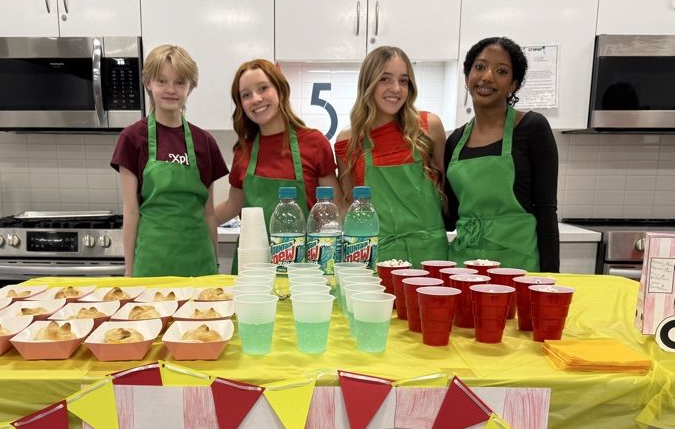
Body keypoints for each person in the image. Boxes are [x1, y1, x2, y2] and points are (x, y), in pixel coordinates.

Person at [111, 44, 228, 277]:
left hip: (198, 262)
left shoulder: (204, 141)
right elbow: (131, 211)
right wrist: (129, 270)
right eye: (162, 81)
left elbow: (208, 214)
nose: (170, 90)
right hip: (152, 262)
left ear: (190, 87)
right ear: (148, 84)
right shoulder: (132, 138)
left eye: (180, 82)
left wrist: (214, 265)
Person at [444, 36, 559, 272]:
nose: (488, 76)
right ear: (467, 77)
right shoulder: (454, 141)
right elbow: (449, 216)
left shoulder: (532, 128)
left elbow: (546, 210)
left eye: (501, 71)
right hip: (463, 267)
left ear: (513, 84)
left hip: (517, 266)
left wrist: (551, 278)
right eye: (480, 67)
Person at [214, 59, 340, 272]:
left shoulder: (314, 143)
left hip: (303, 268)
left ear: (280, 90)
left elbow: (335, 209)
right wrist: (191, 220)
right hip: (252, 266)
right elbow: (232, 206)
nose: (256, 99)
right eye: (246, 95)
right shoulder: (243, 151)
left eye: (263, 88)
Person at [334, 45, 449, 265]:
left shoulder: (428, 127)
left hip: (430, 254)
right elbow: (350, 206)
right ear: (368, 84)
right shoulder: (348, 142)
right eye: (385, 79)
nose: (396, 88)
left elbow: (444, 191)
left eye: (403, 80)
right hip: (376, 255)